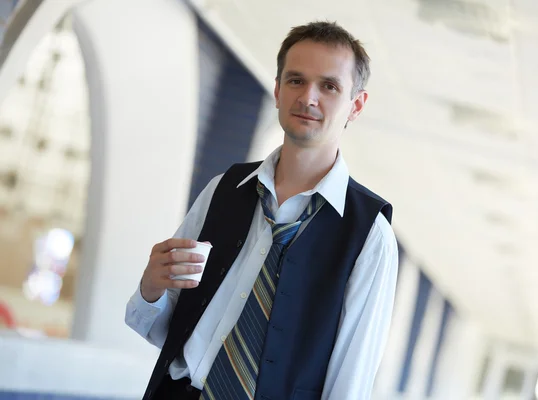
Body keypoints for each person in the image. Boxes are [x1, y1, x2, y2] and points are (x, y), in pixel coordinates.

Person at [126, 20, 399, 400]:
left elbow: (350, 380)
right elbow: (158, 328)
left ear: (356, 105)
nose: (308, 97)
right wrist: (151, 287)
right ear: (276, 90)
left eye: (330, 86)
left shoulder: (369, 234)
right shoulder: (223, 190)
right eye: (295, 80)